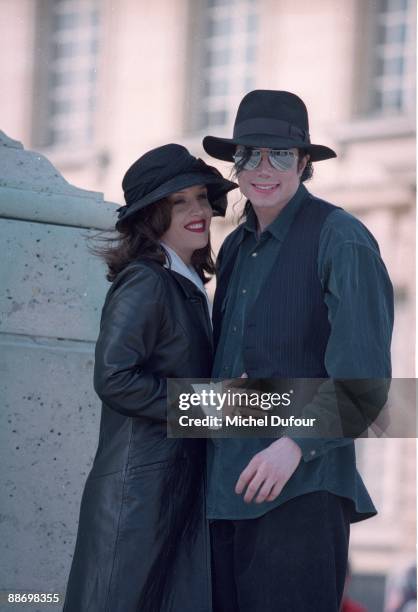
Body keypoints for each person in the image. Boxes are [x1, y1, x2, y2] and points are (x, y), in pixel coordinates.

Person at [202, 90, 394, 611]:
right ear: (234, 162)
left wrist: (292, 445)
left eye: (281, 155)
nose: (263, 169)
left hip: (301, 496)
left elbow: (365, 385)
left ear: (304, 162)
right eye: (249, 154)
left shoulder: (342, 239)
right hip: (222, 495)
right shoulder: (236, 247)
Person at [63, 144, 237, 612]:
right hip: (137, 497)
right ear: (153, 214)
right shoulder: (146, 281)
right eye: (180, 202)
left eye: (202, 197)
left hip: (169, 489)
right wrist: (210, 406)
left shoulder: (185, 284)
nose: (198, 211)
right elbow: (115, 378)